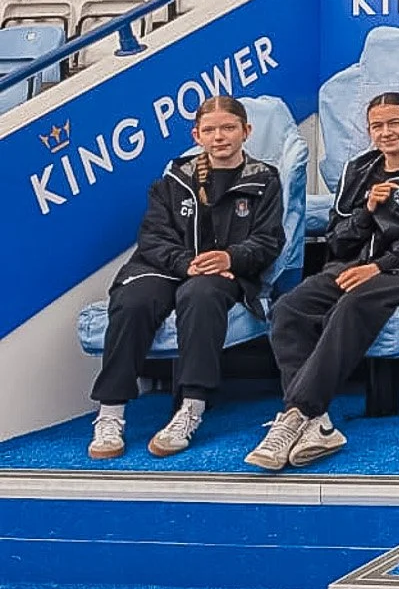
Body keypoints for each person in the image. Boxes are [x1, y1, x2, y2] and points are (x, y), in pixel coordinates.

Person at [247, 92, 399, 471]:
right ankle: (318, 425)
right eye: (377, 126)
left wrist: (378, 266)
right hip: (351, 266)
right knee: (288, 308)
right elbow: (336, 239)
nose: (386, 132)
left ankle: (297, 414)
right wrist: (366, 211)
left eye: (394, 123)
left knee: (354, 301)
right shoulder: (359, 170)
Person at [87, 96, 285, 461]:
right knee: (133, 300)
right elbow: (153, 238)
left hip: (224, 273)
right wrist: (185, 263)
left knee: (201, 295)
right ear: (197, 135)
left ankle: (191, 407)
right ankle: (110, 412)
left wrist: (231, 257)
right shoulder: (173, 179)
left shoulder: (264, 179)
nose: (219, 137)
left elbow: (269, 240)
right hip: (167, 266)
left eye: (228, 128)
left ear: (246, 131)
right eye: (209, 130)